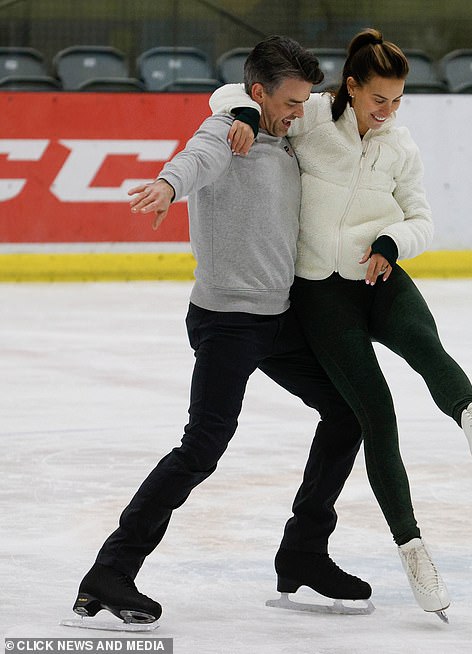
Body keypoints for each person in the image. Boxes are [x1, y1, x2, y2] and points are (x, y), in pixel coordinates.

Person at [209, 27, 472, 622]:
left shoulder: (400, 146)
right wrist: (246, 113)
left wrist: (391, 241)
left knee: (426, 344)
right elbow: (225, 96)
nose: (389, 112)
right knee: (375, 412)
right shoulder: (312, 118)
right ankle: (414, 551)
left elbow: (422, 218)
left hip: (378, 274)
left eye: (399, 101)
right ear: (351, 87)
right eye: (380, 100)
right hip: (322, 293)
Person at [71, 35, 374, 626]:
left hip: (278, 318)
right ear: (258, 93)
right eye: (289, 102)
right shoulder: (224, 133)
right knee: (202, 448)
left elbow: (253, 99)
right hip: (229, 321)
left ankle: (304, 552)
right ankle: (111, 571)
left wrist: (253, 110)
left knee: (347, 411)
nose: (298, 113)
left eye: (303, 101)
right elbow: (196, 157)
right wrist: (167, 184)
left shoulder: (279, 132)